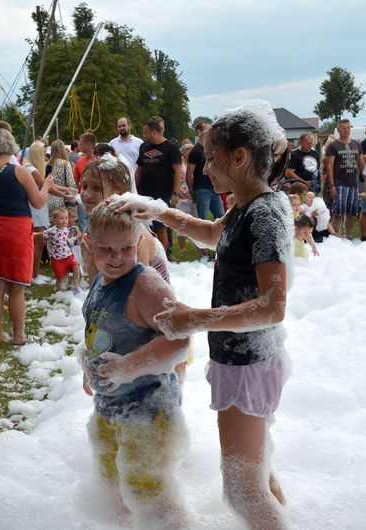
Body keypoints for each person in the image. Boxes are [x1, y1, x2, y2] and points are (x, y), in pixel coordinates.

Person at [108, 100, 293, 529]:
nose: (205, 168)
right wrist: (159, 211)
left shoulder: (263, 214)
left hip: (248, 361)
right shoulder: (250, 204)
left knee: (243, 490)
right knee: (258, 474)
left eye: (211, 157)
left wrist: (194, 318)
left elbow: (274, 306)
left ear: (240, 157)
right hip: (247, 358)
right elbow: (211, 233)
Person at [79, 204, 189, 528]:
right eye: (106, 249)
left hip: (148, 411)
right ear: (88, 242)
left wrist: (129, 366)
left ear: (139, 241)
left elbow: (180, 339)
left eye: (126, 248)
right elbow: (101, 329)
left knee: (148, 488)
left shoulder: (145, 284)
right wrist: (88, 362)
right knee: (111, 480)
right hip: (109, 406)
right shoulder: (101, 280)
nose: (117, 258)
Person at [0, 128, 53, 346]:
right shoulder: (20, 172)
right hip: (16, 230)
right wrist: (47, 186)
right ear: (11, 144)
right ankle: (18, 335)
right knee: (17, 287)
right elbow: (38, 202)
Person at [80, 153, 170, 284]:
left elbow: (142, 288)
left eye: (97, 188)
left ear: (120, 194)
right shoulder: (91, 231)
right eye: (84, 187)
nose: (86, 194)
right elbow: (95, 284)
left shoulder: (134, 234)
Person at [135, 117, 183, 256]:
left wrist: (175, 193)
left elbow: (178, 170)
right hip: (144, 193)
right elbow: (139, 170)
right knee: (144, 226)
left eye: (146, 132)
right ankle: (147, 255)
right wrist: (134, 189)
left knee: (161, 227)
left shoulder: (171, 147)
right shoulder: (144, 147)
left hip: (163, 193)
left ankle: (162, 257)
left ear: (154, 132)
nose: (144, 135)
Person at [325, 119, 364, 239]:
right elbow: (329, 166)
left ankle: (349, 236)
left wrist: (365, 181)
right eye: (343, 128)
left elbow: (361, 163)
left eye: (348, 128)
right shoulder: (333, 146)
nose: (346, 130)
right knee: (338, 212)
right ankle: (335, 237)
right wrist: (332, 185)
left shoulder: (356, 144)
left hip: (354, 183)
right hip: (340, 183)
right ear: (338, 130)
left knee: (351, 212)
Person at [186, 120, 224, 224]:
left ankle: (221, 235)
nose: (210, 131)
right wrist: (192, 191)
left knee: (222, 218)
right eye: (207, 129)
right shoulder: (195, 151)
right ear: (199, 132)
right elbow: (189, 174)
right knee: (204, 220)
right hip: (202, 189)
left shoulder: (212, 148)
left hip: (214, 189)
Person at [26, 141, 52, 285]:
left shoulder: (31, 168)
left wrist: (65, 191)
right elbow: (47, 186)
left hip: (38, 207)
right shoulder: (32, 170)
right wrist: (65, 193)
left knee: (39, 242)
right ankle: (33, 275)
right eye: (43, 153)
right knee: (39, 242)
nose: (45, 156)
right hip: (36, 208)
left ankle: (34, 274)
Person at [42, 207, 82, 293]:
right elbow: (43, 235)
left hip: (68, 255)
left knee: (76, 268)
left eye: (66, 218)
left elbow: (65, 239)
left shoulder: (66, 229)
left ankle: (75, 287)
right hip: (57, 258)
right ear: (55, 220)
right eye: (61, 218)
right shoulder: (51, 231)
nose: (64, 220)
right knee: (60, 277)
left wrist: (70, 241)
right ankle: (58, 292)